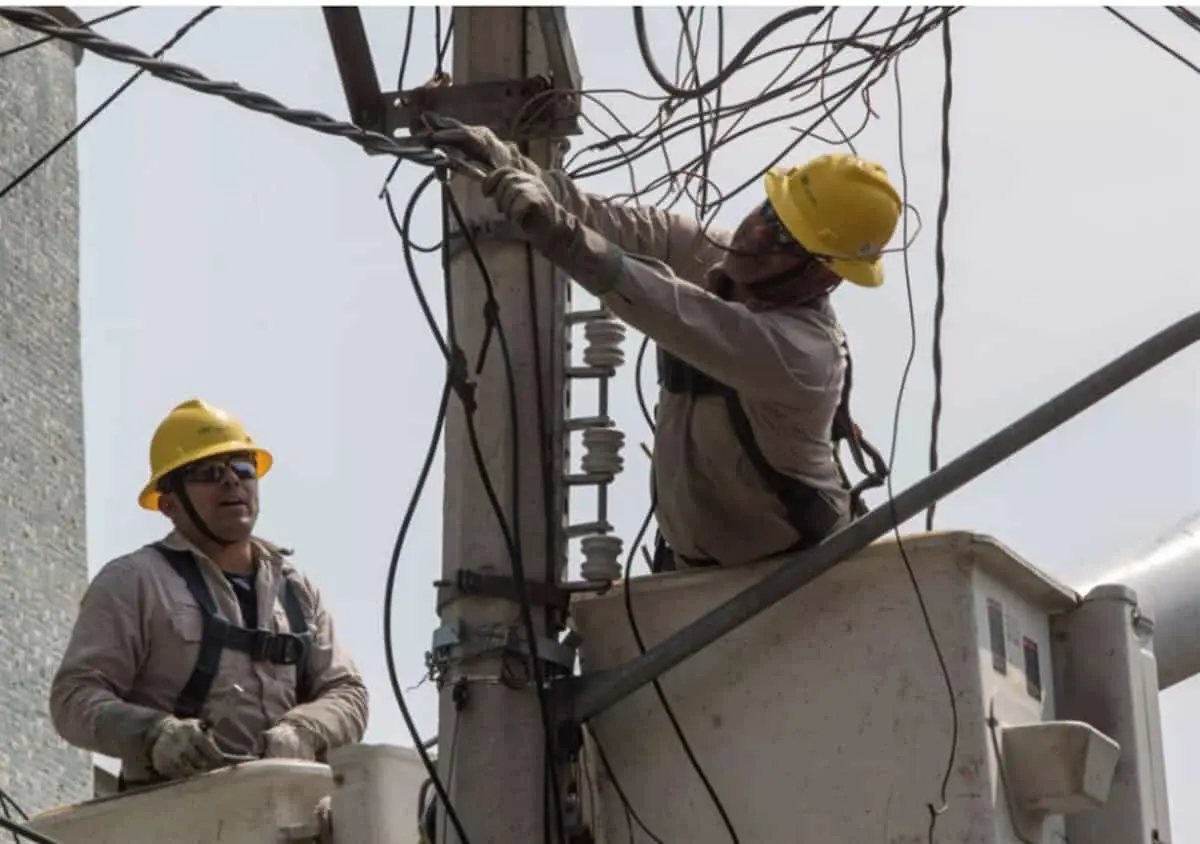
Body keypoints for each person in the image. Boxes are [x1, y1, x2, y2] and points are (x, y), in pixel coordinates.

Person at [425, 116, 897, 571]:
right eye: (770, 211)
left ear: (825, 274)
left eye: (787, 242)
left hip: (799, 580)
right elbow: (610, 221)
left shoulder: (803, 354)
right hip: (692, 573)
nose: (756, 235)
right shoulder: (721, 253)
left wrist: (561, 235)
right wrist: (511, 164)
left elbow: (668, 307)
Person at [50, 399, 369, 789]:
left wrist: (303, 731)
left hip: (287, 810)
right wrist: (155, 734)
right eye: (208, 472)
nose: (232, 481)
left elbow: (347, 692)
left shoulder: (296, 591)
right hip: (173, 816)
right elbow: (73, 698)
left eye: (243, 468)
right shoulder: (134, 582)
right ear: (169, 505)